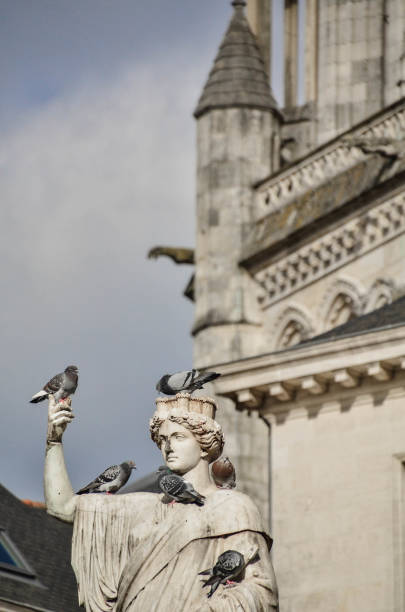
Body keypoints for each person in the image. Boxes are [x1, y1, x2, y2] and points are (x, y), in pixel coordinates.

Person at [44, 393, 278, 611]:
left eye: (178, 437)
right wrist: (54, 440)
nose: (168, 446)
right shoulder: (142, 507)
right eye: (163, 439)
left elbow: (262, 591)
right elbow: (62, 506)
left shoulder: (233, 508)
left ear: (205, 445)